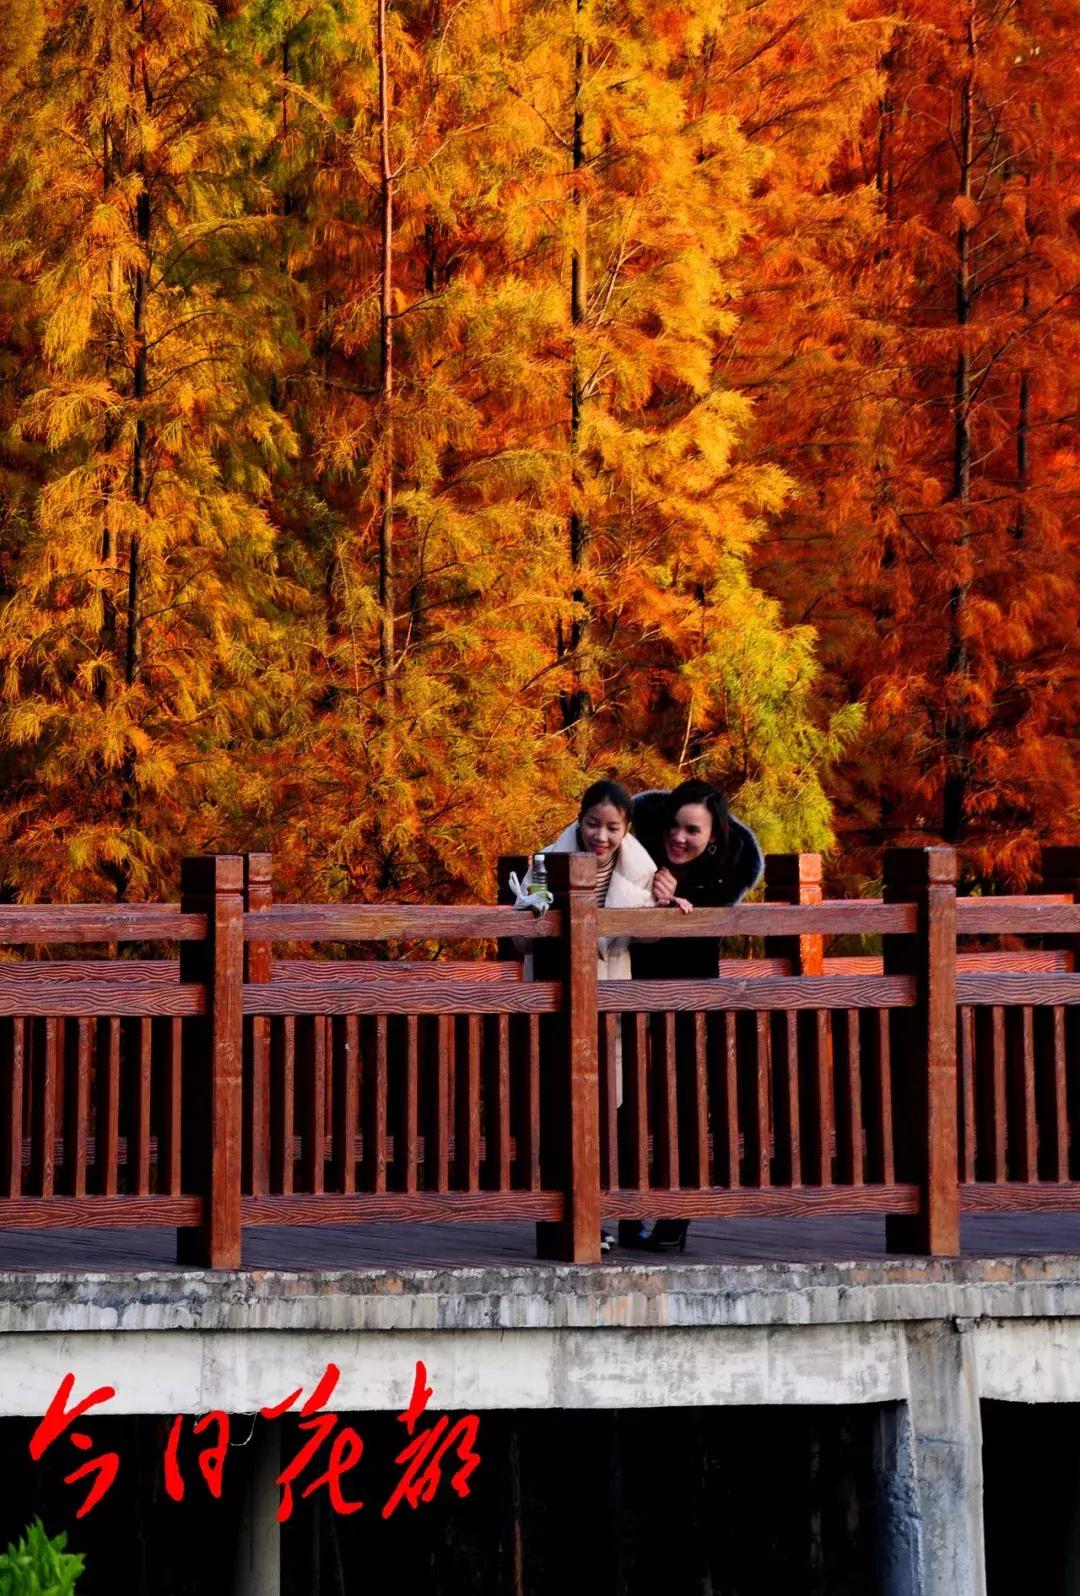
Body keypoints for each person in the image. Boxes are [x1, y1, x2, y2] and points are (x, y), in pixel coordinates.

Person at [513, 780, 687, 1252]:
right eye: (593, 824)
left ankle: (601, 1218)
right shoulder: (547, 861)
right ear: (579, 819)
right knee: (557, 1109)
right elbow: (519, 937)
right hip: (556, 1004)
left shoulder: (644, 870)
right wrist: (535, 909)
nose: (601, 836)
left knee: (603, 1109)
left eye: (612, 827)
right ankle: (559, 1222)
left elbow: (650, 937)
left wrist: (668, 904)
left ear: (627, 828)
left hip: (608, 1002)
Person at [628, 780, 764, 1252]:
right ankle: (626, 1209)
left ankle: (675, 1217)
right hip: (628, 990)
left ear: (713, 835)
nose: (679, 838)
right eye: (673, 827)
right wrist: (647, 893)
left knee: (680, 1104)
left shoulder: (724, 872)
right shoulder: (637, 854)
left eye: (692, 831)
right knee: (626, 1102)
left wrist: (676, 897)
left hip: (690, 998)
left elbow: (709, 919)